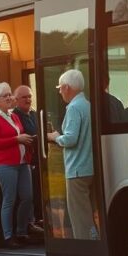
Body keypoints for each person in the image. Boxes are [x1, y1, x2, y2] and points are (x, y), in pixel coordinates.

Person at [46, 69, 97, 240]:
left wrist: (54, 137)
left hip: (76, 170)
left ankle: (86, 248)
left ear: (67, 87)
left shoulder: (74, 107)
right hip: (89, 167)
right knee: (89, 213)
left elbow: (70, 139)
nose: (60, 92)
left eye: (60, 88)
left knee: (80, 217)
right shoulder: (87, 105)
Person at [0, 82, 35, 247]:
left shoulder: (13, 116)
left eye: (9, 94)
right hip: (5, 164)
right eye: (4, 96)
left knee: (27, 197)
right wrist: (17, 139)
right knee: (9, 199)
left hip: (22, 162)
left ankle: (21, 231)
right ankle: (8, 236)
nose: (8, 98)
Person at [13, 85, 45, 229]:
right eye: (24, 97)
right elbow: (24, 137)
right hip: (25, 162)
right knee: (29, 195)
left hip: (40, 159)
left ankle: (39, 221)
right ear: (16, 100)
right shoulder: (14, 117)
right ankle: (29, 226)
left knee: (39, 192)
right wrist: (43, 137)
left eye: (30, 96)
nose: (28, 100)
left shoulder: (34, 114)